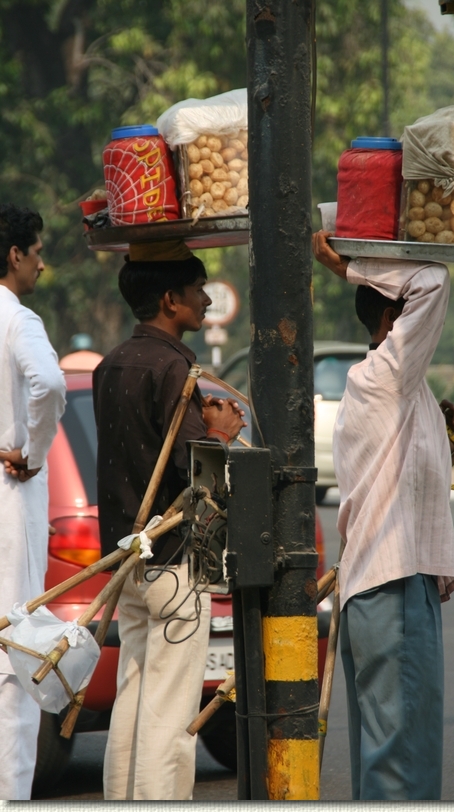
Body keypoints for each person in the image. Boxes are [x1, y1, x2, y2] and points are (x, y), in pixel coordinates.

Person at [312, 230, 454, 801]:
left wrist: (443, 434)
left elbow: (405, 470)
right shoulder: (386, 377)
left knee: (393, 755)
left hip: (388, 588)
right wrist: (345, 267)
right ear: (396, 313)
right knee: (401, 765)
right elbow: (434, 278)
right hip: (392, 588)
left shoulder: (397, 385)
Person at [93, 248, 245, 801]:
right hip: (175, 561)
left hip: (129, 558)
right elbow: (192, 473)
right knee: (169, 716)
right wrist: (221, 436)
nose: (207, 299)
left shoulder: (110, 365)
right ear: (170, 300)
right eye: (198, 290)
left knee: (133, 701)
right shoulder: (174, 367)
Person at [0, 204, 66, 800]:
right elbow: (49, 382)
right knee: (14, 661)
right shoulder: (17, 320)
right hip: (9, 507)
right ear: (15, 254)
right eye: (37, 251)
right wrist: (32, 449)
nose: (42, 263)